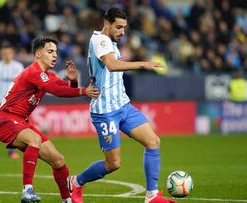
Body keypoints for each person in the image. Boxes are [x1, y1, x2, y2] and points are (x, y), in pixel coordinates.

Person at [68, 8, 177, 203]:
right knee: (113, 164)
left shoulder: (110, 42)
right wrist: (143, 64)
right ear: (106, 23)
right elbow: (112, 65)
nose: (122, 32)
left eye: (124, 28)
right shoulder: (100, 40)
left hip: (123, 106)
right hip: (105, 111)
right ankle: (75, 182)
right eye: (118, 27)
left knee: (153, 142)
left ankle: (152, 195)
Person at [0, 36, 100, 203]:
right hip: (7, 120)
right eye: (50, 51)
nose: (55, 55)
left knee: (58, 160)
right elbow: (55, 90)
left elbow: (64, 89)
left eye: (56, 52)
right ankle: (27, 191)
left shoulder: (46, 75)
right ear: (37, 54)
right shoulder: (33, 72)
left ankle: (67, 200)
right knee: (34, 139)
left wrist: (73, 82)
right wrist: (83, 90)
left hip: (22, 122)